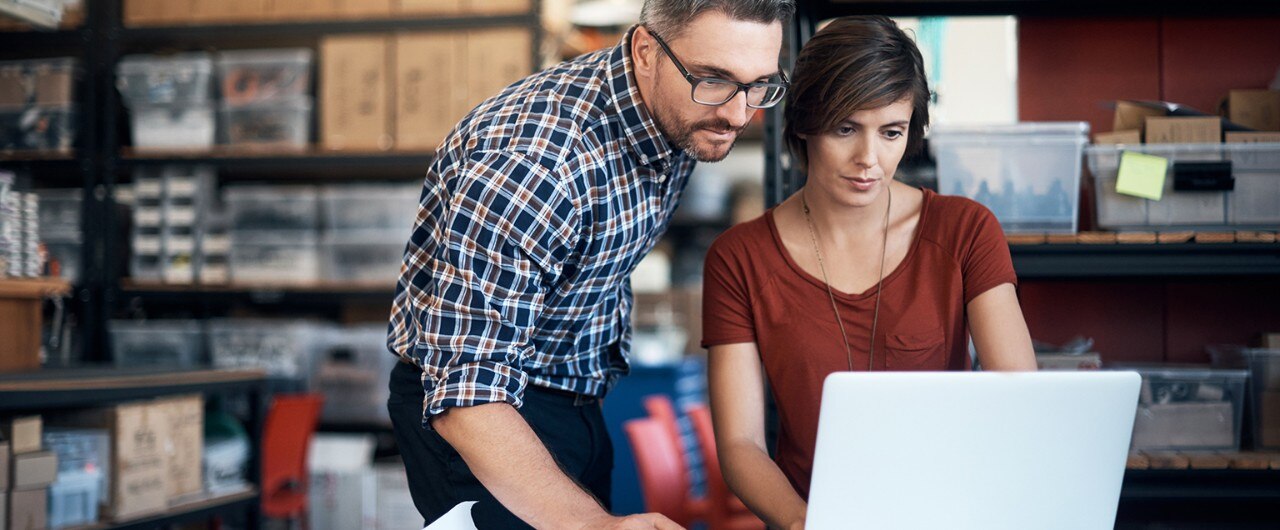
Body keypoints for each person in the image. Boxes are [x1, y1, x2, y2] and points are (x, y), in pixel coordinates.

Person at [385, 1, 795, 528]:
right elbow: (469, 392)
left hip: (577, 395)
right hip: (486, 415)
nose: (739, 114)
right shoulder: (536, 165)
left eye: (758, 85)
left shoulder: (681, 114)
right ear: (645, 51)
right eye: (714, 80)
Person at [701, 16, 1038, 530]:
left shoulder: (965, 231)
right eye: (845, 128)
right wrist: (802, 523)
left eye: (891, 132)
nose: (868, 159)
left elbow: (1019, 403)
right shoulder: (739, 259)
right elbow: (741, 444)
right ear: (803, 126)